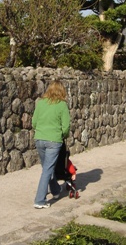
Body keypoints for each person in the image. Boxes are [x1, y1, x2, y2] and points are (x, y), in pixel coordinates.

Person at [31, 80, 70, 209]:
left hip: (39, 139)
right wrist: (63, 135)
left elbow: (34, 122)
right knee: (47, 169)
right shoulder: (62, 105)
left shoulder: (41, 103)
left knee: (47, 168)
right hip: (54, 140)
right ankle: (39, 200)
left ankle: (56, 190)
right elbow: (66, 127)